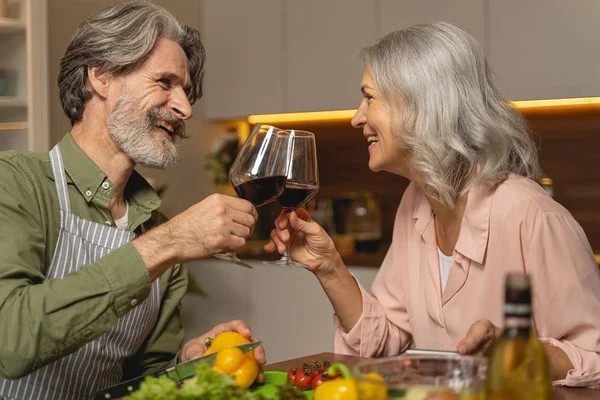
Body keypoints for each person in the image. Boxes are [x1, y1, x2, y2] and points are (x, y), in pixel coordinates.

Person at [265, 21, 600, 386]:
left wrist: (509, 351)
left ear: (422, 105)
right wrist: (328, 266)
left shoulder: (531, 217)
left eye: (369, 98)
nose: (356, 117)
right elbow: (385, 340)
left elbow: (593, 357)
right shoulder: (416, 203)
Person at [0, 2, 265, 399]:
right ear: (102, 77)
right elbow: (11, 339)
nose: (185, 108)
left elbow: (146, 378)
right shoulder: (15, 182)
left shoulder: (154, 223)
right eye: (164, 82)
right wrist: (169, 243)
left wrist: (190, 362)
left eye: (186, 91)